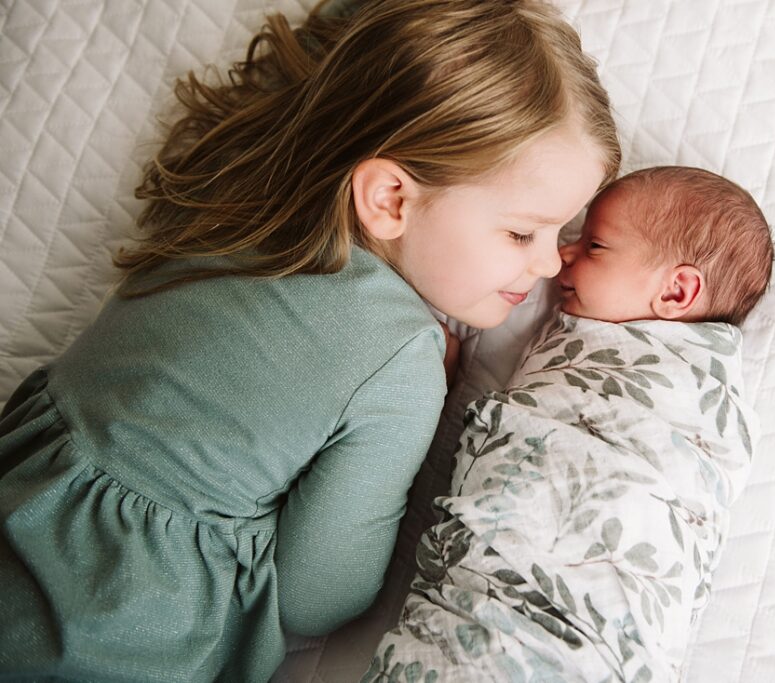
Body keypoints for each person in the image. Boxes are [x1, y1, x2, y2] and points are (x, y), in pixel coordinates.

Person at [0, 1, 620, 680]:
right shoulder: (399, 356)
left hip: (27, 497)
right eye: (521, 233)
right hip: (114, 619)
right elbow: (319, 594)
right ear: (389, 198)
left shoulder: (231, 203)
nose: (551, 264)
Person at [364, 166, 773, 682]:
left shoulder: (693, 394)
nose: (562, 256)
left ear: (675, 293)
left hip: (593, 636)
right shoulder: (583, 338)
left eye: (595, 245)